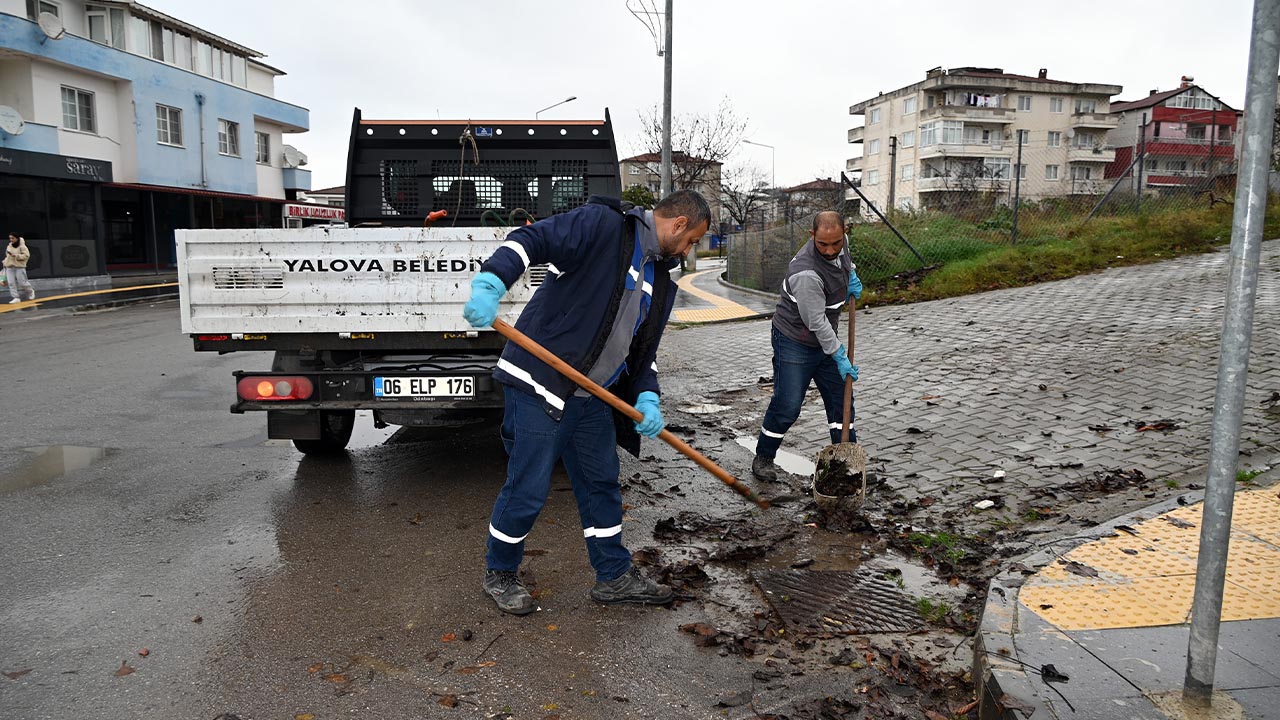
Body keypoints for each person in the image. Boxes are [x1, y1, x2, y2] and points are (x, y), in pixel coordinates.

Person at [462, 189, 712, 615]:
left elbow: (640, 353)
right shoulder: (605, 227)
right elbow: (532, 239)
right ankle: (499, 572)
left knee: (601, 484)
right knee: (528, 488)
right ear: (679, 224)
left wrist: (647, 395)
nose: (689, 251)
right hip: (539, 383)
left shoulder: (658, 276)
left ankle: (613, 575)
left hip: (591, 396)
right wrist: (491, 283)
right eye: (691, 241)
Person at [751, 211, 863, 482]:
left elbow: (845, 261)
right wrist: (838, 354)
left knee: (841, 400)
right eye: (822, 244)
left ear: (843, 233)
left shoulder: (841, 242)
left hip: (825, 338)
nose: (830, 249)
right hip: (795, 341)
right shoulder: (806, 273)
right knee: (788, 404)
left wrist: (851, 278)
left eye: (835, 243)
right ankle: (764, 457)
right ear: (812, 236)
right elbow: (816, 322)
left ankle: (845, 462)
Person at [4, 233, 35, 304]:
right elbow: (7, 256)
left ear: (16, 238)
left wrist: (16, 256)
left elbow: (26, 256)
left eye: (12, 238)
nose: (11, 240)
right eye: (10, 238)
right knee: (11, 282)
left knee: (22, 282)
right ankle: (16, 297)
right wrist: (5, 262)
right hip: (9, 266)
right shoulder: (9, 246)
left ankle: (30, 291)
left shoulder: (22, 246)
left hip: (19, 266)